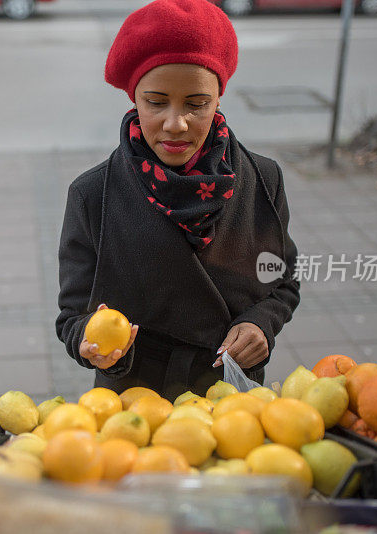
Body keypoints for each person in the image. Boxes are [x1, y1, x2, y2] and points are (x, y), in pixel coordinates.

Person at [55, 0, 301, 402]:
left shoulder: (262, 178)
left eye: (196, 104)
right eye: (156, 102)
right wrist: (92, 346)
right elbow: (72, 317)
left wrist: (261, 324)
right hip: (135, 399)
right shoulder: (93, 194)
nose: (175, 123)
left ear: (218, 98)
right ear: (134, 98)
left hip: (232, 396)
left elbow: (282, 280)